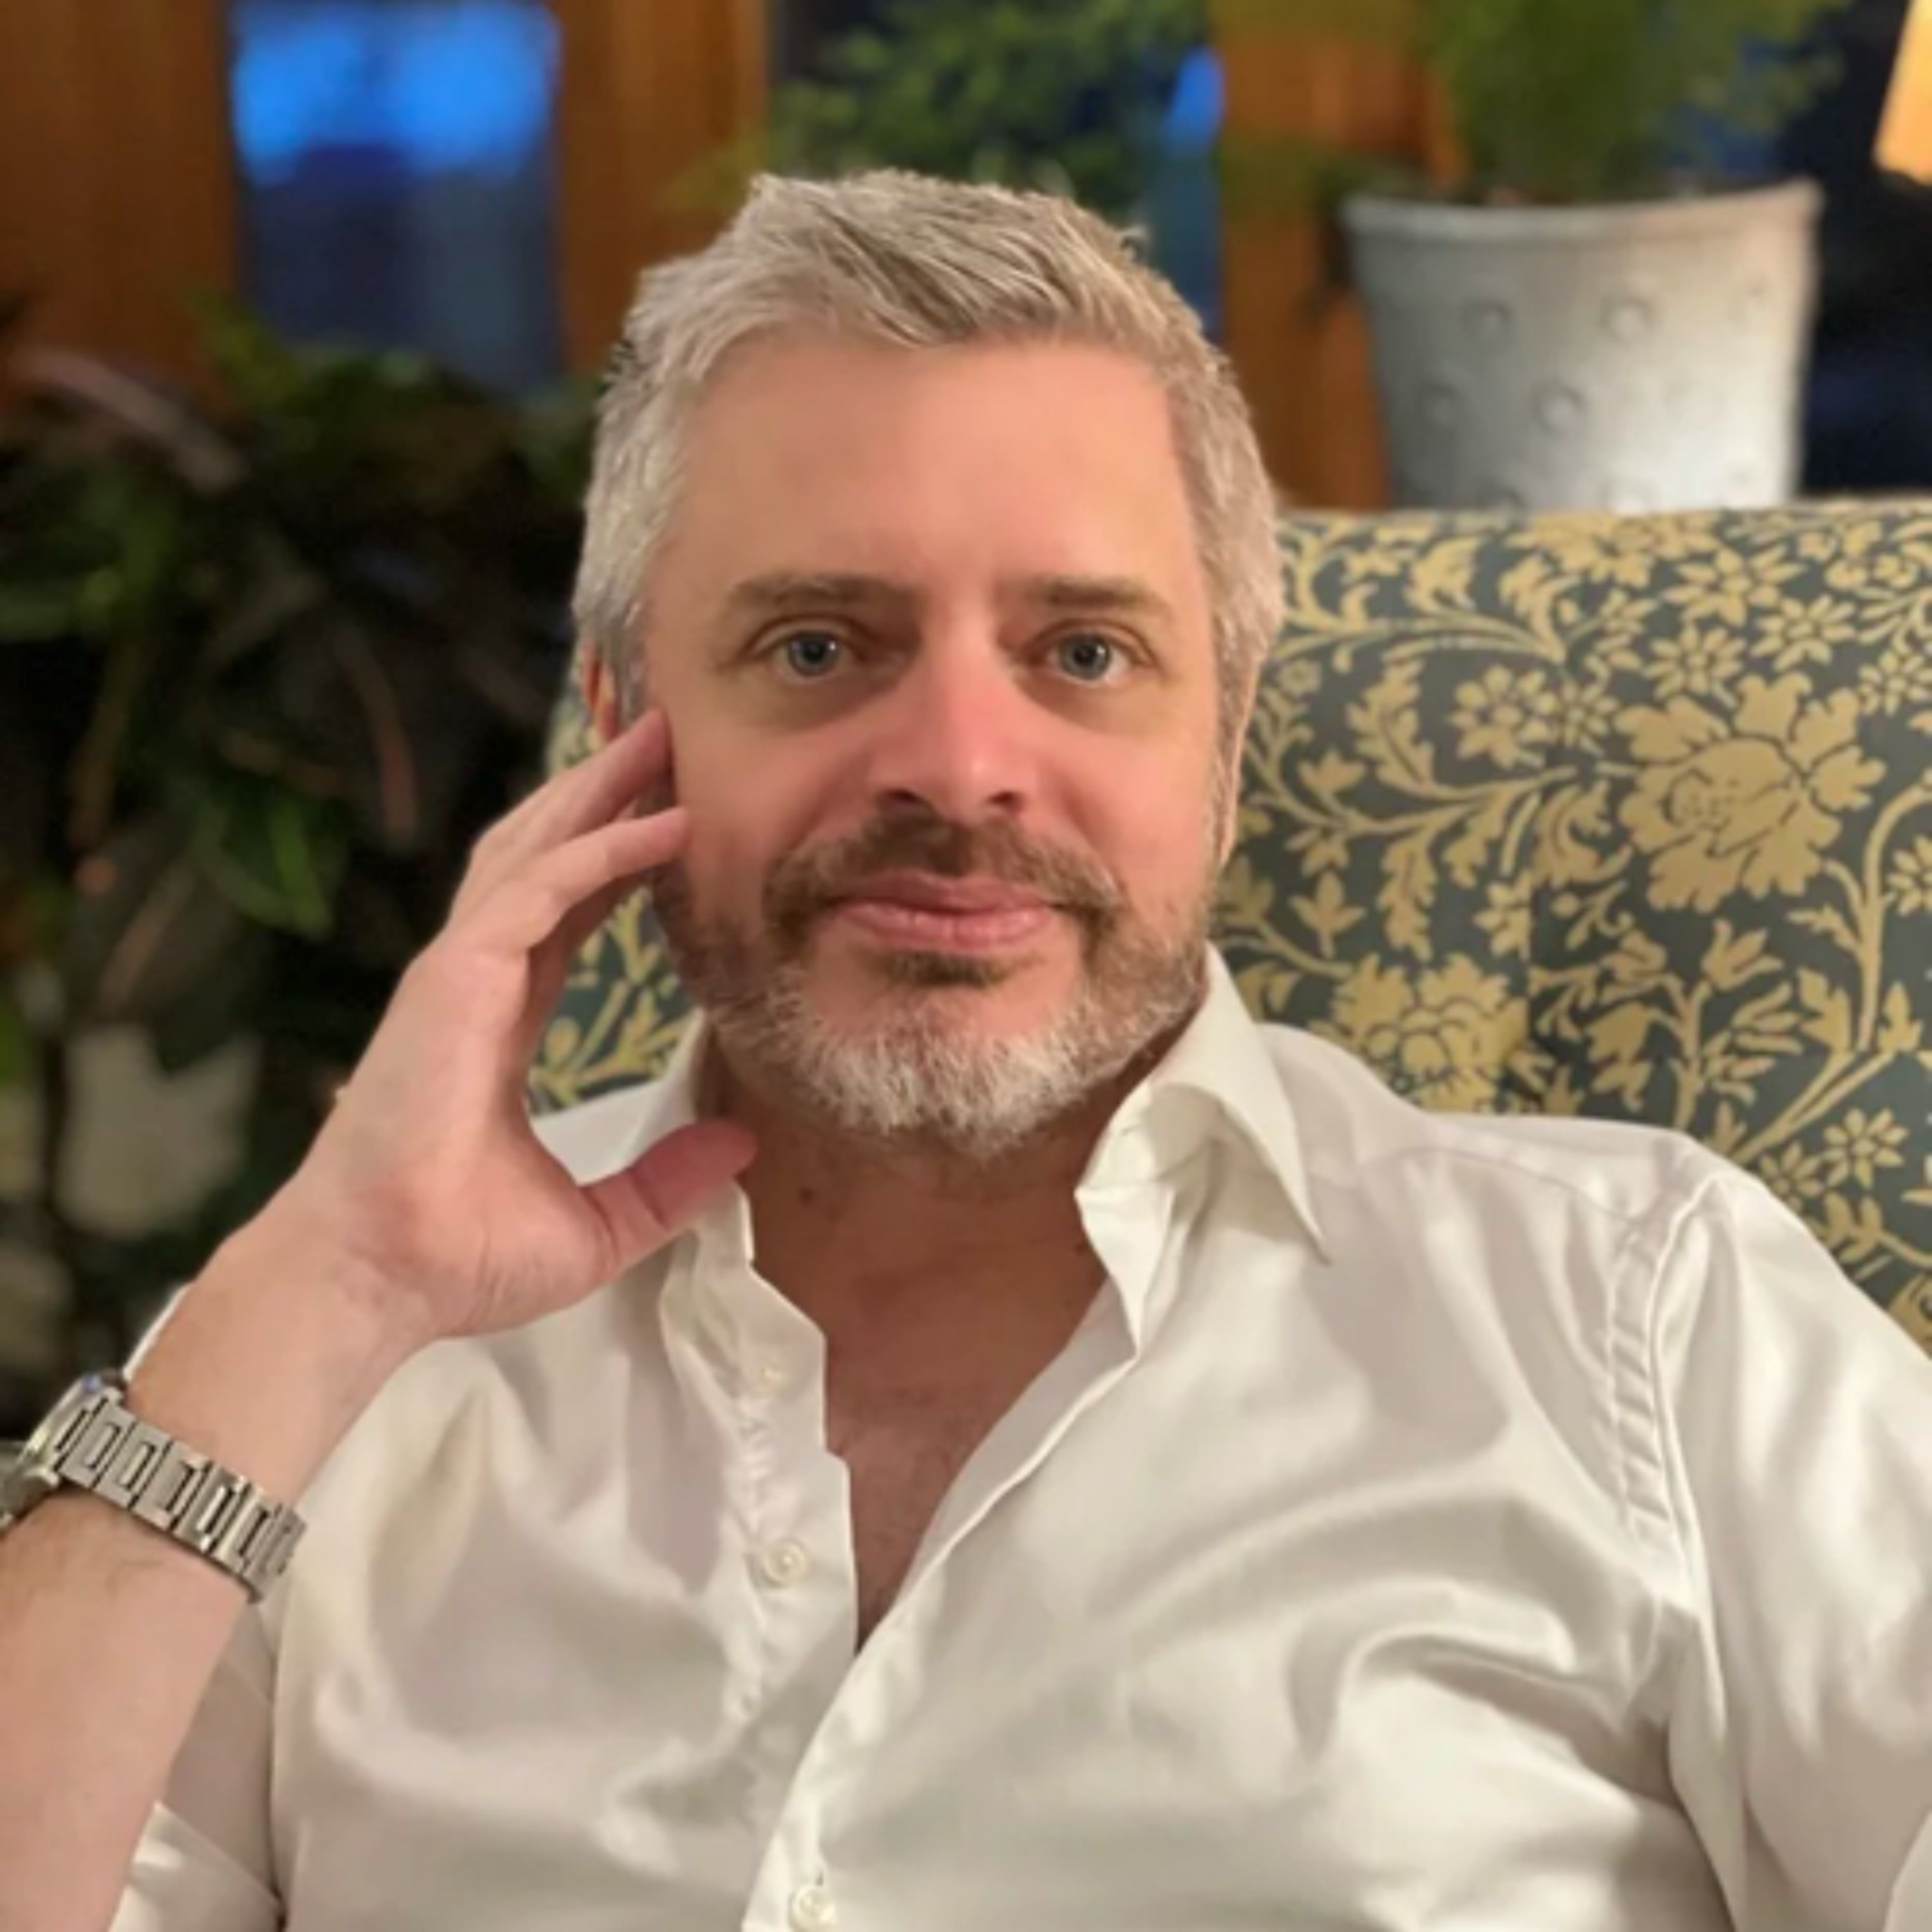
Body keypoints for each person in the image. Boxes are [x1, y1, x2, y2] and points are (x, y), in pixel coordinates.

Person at [0, 171, 1926, 1932]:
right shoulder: (318, 1366)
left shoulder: (1640, 1317)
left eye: (1084, 652)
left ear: (1226, 746)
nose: (956, 766)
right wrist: (329, 1284)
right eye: (818, 647)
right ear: (620, 723)